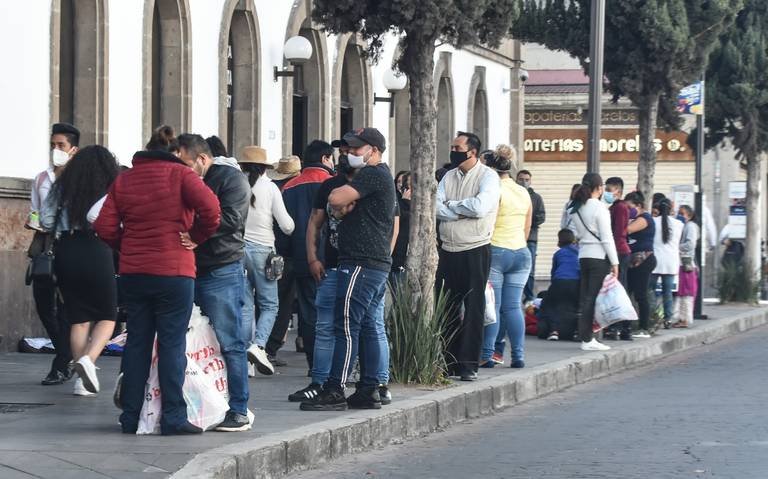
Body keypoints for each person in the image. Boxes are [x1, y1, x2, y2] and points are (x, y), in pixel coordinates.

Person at [94, 126, 220, 434]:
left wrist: (127, 246)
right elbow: (212, 211)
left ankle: (130, 416)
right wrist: (196, 237)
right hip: (174, 272)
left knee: (137, 343)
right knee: (171, 343)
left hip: (134, 273)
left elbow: (104, 225)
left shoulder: (125, 179)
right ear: (175, 152)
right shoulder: (183, 176)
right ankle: (173, 416)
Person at [300, 127, 396, 411]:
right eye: (349, 148)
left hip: (360, 263)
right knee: (367, 326)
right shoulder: (379, 175)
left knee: (345, 325)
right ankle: (368, 389)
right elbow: (338, 205)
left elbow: (335, 199)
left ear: (374, 151)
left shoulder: (373, 173)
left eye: (356, 148)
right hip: (373, 264)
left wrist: (343, 200)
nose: (350, 153)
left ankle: (335, 389)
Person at [177, 133, 252, 432]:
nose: (182, 169)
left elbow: (232, 218)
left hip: (221, 268)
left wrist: (196, 234)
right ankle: (197, 403)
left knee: (229, 340)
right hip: (188, 267)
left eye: (186, 163)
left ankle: (239, 409)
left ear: (202, 159)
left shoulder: (232, 180)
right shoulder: (185, 180)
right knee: (187, 340)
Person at [41, 145, 119, 397]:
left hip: (66, 250)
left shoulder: (62, 187)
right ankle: (88, 360)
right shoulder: (109, 189)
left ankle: (80, 379)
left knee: (79, 317)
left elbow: (46, 220)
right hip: (97, 248)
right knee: (107, 315)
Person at [435, 131, 500, 381]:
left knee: (474, 309)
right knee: (446, 308)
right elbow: (435, 207)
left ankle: (469, 364)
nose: (453, 151)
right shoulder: (448, 176)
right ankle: (449, 361)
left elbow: (481, 207)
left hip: (476, 247)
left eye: (457, 148)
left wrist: (451, 206)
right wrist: (462, 209)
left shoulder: (488, 177)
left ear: (472, 152)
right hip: (448, 249)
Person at [29, 122, 79, 386]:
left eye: (61, 145)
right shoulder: (41, 178)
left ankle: (61, 363)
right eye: (53, 145)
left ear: (73, 149)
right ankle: (65, 353)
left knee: (66, 307)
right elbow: (35, 210)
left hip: (71, 245)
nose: (56, 150)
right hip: (46, 246)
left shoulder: (79, 180)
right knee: (43, 302)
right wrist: (34, 221)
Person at [238, 146, 295, 376]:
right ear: (264, 167)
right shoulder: (271, 188)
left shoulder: (236, 186)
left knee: (244, 307)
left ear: (242, 166)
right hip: (263, 251)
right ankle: (259, 346)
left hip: (237, 251)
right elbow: (287, 225)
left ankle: (245, 361)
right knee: (270, 305)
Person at [280, 141, 336, 373]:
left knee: (308, 311)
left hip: (300, 257)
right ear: (325, 159)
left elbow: (282, 227)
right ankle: (329, 365)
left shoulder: (289, 186)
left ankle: (314, 363)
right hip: (331, 257)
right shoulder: (334, 184)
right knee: (331, 312)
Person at [478, 146, 531, 369]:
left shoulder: (493, 189)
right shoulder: (523, 191)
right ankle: (518, 356)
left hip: (497, 250)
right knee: (513, 307)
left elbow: (487, 221)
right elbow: (527, 226)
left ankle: (487, 354)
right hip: (521, 252)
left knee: (493, 305)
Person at [568, 172, 618, 351]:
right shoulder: (599, 208)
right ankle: (588, 339)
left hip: (583, 255)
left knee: (586, 298)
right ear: (599, 188)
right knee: (593, 298)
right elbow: (607, 238)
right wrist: (615, 262)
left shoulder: (575, 208)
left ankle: (587, 336)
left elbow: (577, 233)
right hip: (599, 257)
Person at [264, 155, 302, 365]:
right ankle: (270, 346)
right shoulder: (292, 189)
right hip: (288, 252)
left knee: (267, 300)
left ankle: (265, 344)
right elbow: (288, 225)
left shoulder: (271, 187)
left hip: (271, 249)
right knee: (283, 302)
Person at [624, 191, 657, 339]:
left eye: (629, 207)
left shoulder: (644, 218)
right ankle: (626, 326)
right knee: (627, 293)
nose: (628, 210)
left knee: (640, 294)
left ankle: (644, 327)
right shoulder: (634, 218)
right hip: (632, 261)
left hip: (643, 260)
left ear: (639, 206)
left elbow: (628, 230)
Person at [538, 229, 581, 341]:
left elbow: (553, 273)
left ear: (559, 240)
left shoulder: (558, 253)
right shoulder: (579, 252)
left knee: (549, 305)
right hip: (576, 282)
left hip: (559, 281)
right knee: (578, 306)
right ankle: (577, 331)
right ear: (573, 240)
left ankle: (554, 331)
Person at [603, 177, 632, 340]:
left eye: (610, 190)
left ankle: (621, 326)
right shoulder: (614, 207)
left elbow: (618, 232)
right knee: (616, 289)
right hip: (617, 250)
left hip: (619, 251)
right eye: (606, 189)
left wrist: (611, 253)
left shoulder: (620, 208)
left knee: (618, 290)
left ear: (619, 192)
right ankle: (620, 326)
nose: (606, 193)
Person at [651, 198, 684, 330]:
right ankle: (668, 319)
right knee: (667, 292)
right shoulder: (679, 224)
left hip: (655, 260)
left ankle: (653, 316)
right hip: (671, 261)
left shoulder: (653, 222)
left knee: (651, 290)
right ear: (671, 209)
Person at [517, 169, 545, 304]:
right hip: (513, 236)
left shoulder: (536, 198)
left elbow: (541, 216)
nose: (524, 182)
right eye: (521, 179)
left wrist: (528, 220)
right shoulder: (512, 195)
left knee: (530, 269)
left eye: (527, 180)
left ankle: (529, 296)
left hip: (530, 238)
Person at [676, 205, 699, 328]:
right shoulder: (683, 226)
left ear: (689, 216)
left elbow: (690, 244)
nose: (679, 215)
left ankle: (684, 318)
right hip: (681, 262)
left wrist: (675, 247)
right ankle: (681, 318)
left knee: (686, 292)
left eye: (682, 213)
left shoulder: (690, 226)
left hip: (686, 262)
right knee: (681, 292)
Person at [390, 171, 411, 287]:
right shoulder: (395, 201)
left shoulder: (422, 203)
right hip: (397, 257)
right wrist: (404, 201)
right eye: (399, 182)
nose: (401, 185)